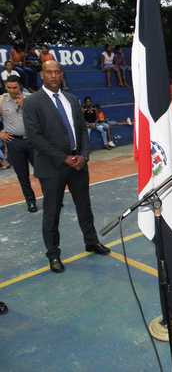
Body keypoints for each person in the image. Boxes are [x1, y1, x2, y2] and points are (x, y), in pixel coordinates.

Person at [24, 60, 110, 274]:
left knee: (85, 207)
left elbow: (82, 129)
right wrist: (63, 158)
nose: (53, 76)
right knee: (51, 213)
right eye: (49, 72)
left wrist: (83, 155)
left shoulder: (71, 99)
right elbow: (35, 137)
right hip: (52, 167)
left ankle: (91, 241)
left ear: (61, 74)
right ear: (42, 75)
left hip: (78, 165)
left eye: (57, 72)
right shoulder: (33, 102)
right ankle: (53, 254)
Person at [0, 75, 37, 212]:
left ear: (20, 86)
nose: (12, 90)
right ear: (5, 86)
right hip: (14, 142)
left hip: (33, 141)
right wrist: (0, 133)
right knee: (22, 175)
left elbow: (43, 118)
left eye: (15, 87)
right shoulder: (2, 100)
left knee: (43, 172)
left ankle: (52, 198)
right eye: (9, 87)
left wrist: (26, 106)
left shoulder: (31, 98)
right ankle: (31, 201)